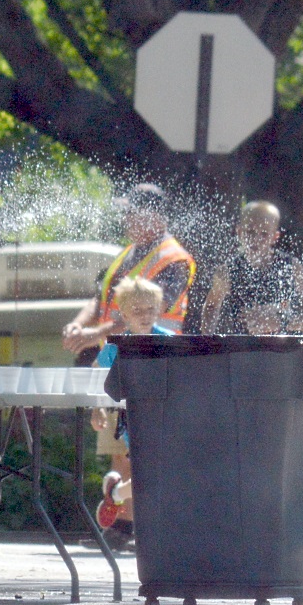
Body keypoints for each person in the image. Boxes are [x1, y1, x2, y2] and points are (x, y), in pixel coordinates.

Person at [62, 183, 195, 549]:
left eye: (132, 212)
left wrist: (96, 334)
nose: (126, 219)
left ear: (155, 216)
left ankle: (139, 527)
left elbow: (143, 313)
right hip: (121, 360)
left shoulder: (174, 258)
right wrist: (80, 324)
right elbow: (100, 297)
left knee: (148, 450)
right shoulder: (128, 255)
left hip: (153, 362)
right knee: (121, 448)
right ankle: (122, 526)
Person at [90, 277, 172, 529]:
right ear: (124, 313)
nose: (144, 315)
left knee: (161, 474)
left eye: (150, 309)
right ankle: (129, 506)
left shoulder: (169, 341)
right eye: (137, 310)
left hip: (167, 417)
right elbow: (95, 374)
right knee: (151, 474)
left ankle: (116, 493)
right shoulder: (116, 347)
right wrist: (98, 406)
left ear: (158, 309)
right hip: (134, 419)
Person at [200, 200, 303, 335]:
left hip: (283, 353)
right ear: (239, 232)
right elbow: (211, 307)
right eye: (250, 232)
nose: (256, 239)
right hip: (244, 353)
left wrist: (281, 320)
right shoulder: (227, 271)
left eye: (264, 234)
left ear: (275, 237)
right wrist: (207, 339)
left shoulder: (290, 267)